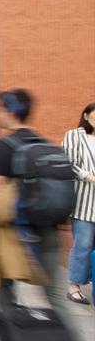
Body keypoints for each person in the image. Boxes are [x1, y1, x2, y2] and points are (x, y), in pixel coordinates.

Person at [0, 89, 84, 341]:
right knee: (54, 297)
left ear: (11, 112)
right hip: (48, 232)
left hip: (14, 236)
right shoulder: (46, 144)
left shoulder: (4, 146)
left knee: (6, 292)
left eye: (0, 109)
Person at [62, 101, 95, 305]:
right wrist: (86, 175)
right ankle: (74, 285)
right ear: (86, 116)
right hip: (84, 202)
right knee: (83, 245)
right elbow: (68, 162)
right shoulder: (74, 135)